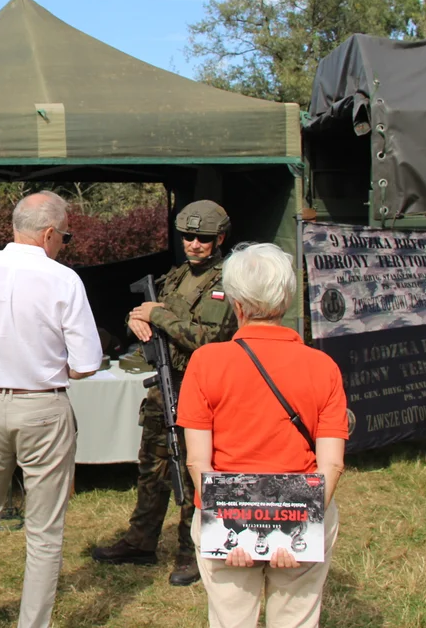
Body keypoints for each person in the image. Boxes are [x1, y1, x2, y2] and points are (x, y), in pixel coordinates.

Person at [0, 191, 102, 628]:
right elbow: (87, 364)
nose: (62, 244)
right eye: (64, 237)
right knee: (44, 529)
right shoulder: (63, 279)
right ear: (49, 233)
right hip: (43, 406)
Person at [178, 242, 347, 628]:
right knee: (297, 619)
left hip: (228, 516)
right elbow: (332, 462)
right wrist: (298, 528)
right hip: (303, 508)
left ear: (236, 303)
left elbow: (198, 460)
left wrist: (227, 523)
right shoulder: (323, 367)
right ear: (286, 299)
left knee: (230, 618)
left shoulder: (205, 363)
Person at [90, 199, 238, 586]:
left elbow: (207, 339)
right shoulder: (176, 276)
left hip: (200, 387)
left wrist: (157, 316)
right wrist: (136, 318)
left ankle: (193, 550)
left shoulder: (225, 282)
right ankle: (141, 541)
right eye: (188, 236)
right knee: (152, 465)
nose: (194, 244)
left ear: (220, 238)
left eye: (203, 238)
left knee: (190, 468)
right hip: (165, 382)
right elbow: (147, 309)